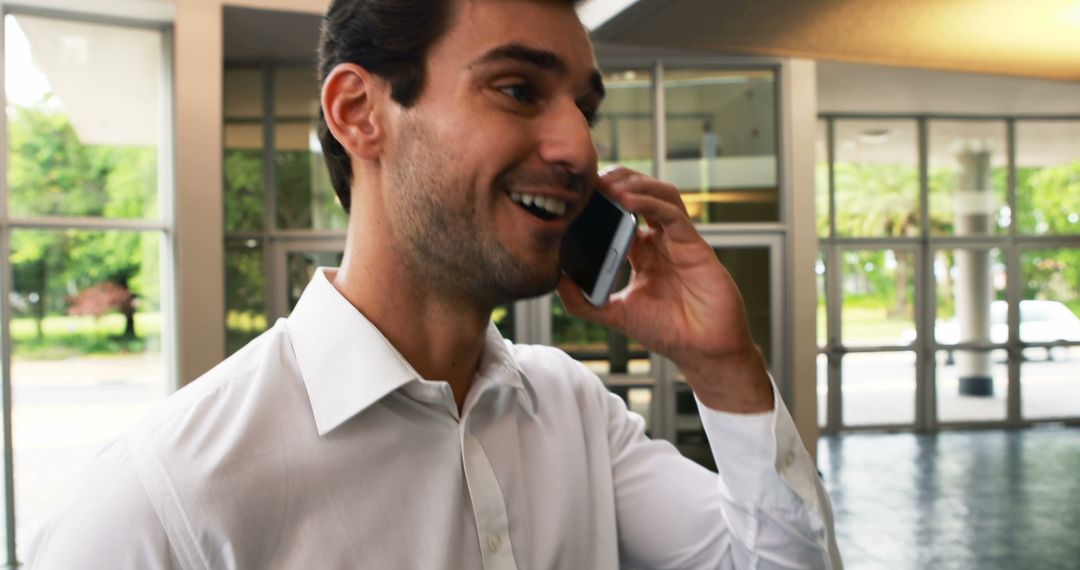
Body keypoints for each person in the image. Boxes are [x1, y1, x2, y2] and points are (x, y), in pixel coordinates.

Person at [27, 0, 842, 567]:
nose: (577, 146)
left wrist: (725, 365)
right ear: (358, 112)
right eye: (518, 88)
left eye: (583, 106)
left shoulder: (576, 414)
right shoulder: (158, 501)